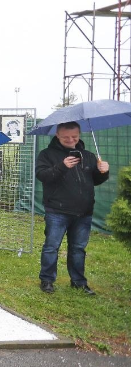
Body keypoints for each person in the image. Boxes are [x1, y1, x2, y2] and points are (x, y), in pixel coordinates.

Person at [35, 121, 109, 295]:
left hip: (84, 212)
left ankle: (78, 282)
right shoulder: (47, 154)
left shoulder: (89, 156)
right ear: (57, 135)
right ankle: (47, 280)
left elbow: (95, 181)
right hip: (57, 211)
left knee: (78, 249)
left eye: (74, 136)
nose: (70, 140)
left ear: (79, 135)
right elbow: (42, 175)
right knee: (51, 247)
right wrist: (62, 166)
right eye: (66, 137)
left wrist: (103, 172)